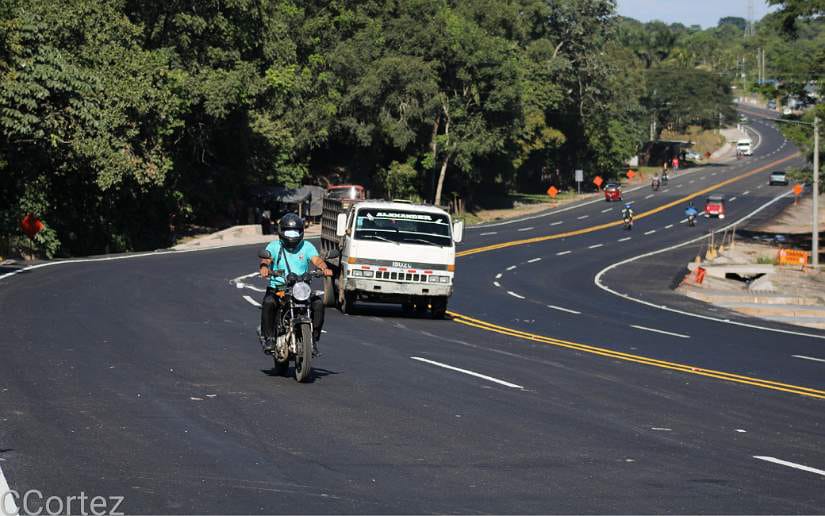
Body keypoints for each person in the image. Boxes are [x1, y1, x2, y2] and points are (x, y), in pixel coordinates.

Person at [258, 213, 333, 354]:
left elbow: (316, 260)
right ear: (281, 231)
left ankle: (313, 340)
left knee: (318, 304)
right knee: (269, 302)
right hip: (279, 288)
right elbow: (266, 259)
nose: (292, 235)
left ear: (301, 232)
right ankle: (269, 338)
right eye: (288, 232)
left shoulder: (307, 246)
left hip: (301, 287)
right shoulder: (274, 246)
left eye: (295, 232)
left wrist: (324, 268)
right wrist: (264, 268)